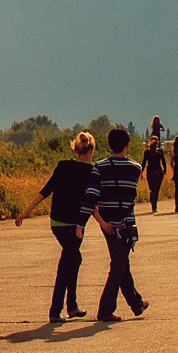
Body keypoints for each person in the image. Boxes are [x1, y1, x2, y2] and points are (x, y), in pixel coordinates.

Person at [14, 132, 97, 323]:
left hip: (57, 224)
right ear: (91, 150)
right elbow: (91, 202)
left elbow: (46, 190)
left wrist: (25, 212)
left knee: (75, 259)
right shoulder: (90, 172)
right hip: (74, 226)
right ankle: (55, 311)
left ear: (75, 149)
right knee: (67, 263)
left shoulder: (63, 166)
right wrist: (102, 222)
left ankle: (72, 306)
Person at [79, 126, 149, 323]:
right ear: (127, 146)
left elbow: (91, 197)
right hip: (125, 224)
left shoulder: (99, 167)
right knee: (118, 265)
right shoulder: (135, 168)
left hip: (107, 224)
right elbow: (130, 196)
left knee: (121, 263)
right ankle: (105, 310)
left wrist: (86, 223)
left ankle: (136, 303)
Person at [141, 135, 167, 213]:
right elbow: (163, 162)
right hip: (158, 172)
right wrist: (165, 170)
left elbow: (144, 162)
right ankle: (154, 206)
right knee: (156, 189)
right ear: (158, 142)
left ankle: (153, 204)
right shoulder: (160, 151)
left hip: (150, 173)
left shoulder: (147, 152)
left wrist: (141, 172)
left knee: (152, 189)